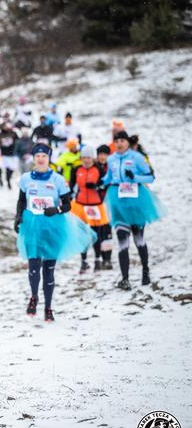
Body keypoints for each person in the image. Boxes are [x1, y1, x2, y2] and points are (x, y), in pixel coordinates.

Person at [14, 144, 95, 322]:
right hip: (32, 225)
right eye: (38, 156)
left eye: (44, 156)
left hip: (53, 227)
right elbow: (21, 201)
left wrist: (56, 209)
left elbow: (67, 205)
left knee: (48, 270)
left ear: (49, 158)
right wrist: (18, 217)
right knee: (33, 265)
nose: (41, 159)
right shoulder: (26, 179)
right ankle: (34, 297)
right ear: (34, 158)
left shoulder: (58, 180)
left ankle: (48, 308)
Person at [101, 130, 166, 290]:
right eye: (117, 141)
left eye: (122, 141)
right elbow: (109, 177)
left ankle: (145, 271)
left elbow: (150, 177)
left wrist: (135, 178)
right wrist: (100, 183)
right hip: (118, 201)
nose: (119, 144)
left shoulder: (137, 157)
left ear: (128, 142)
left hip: (136, 201)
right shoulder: (111, 159)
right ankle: (125, 279)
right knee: (122, 240)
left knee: (138, 240)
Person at [69, 146, 113, 272]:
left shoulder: (98, 169)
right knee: (82, 235)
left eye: (88, 157)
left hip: (95, 205)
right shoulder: (77, 169)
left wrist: (97, 186)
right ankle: (84, 261)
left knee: (96, 234)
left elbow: (106, 184)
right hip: (80, 205)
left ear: (93, 158)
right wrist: (68, 196)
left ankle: (97, 260)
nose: (86, 160)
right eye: (84, 157)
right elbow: (72, 186)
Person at [0, 122, 19, 189]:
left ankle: (8, 179)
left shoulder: (13, 133)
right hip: (4, 154)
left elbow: (18, 141)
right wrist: (1, 144)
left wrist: (14, 145)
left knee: (12, 169)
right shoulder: (0, 135)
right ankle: (7, 181)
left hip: (12, 154)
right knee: (7, 169)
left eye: (6, 126)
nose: (6, 127)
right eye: (4, 126)